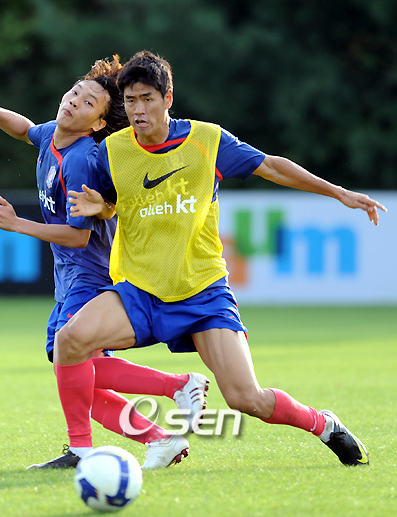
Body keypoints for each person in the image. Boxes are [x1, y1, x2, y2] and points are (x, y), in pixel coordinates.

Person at [56, 50, 388, 468]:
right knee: (68, 342)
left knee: (247, 398)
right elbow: (108, 204)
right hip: (141, 291)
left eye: (147, 99)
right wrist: (102, 208)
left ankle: (323, 424)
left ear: (167, 98)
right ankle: (82, 451)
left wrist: (339, 192)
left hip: (202, 293)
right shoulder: (112, 151)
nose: (138, 110)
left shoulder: (207, 140)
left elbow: (272, 167)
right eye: (131, 101)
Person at [0, 56, 210, 471]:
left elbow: (80, 236)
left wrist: (19, 225)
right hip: (70, 277)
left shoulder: (81, 160)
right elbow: (23, 128)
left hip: (90, 278)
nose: (74, 101)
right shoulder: (54, 135)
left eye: (88, 102)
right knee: (76, 373)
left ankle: (166, 395)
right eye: (75, 92)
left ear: (97, 123)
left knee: (70, 362)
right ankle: (159, 436)